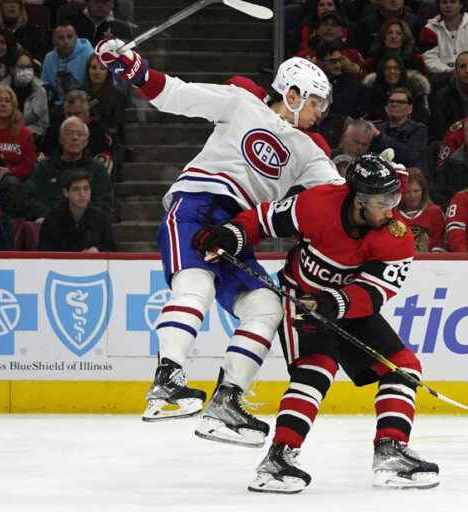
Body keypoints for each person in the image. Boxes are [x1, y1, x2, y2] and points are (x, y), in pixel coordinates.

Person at [94, 40, 343, 444]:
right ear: (292, 94)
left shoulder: (309, 150)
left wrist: (378, 182)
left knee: (266, 306)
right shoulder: (241, 103)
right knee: (197, 284)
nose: (321, 112)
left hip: (235, 232)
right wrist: (134, 68)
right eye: (316, 101)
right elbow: (175, 94)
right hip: (195, 205)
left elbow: (339, 198)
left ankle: (227, 402)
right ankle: (168, 380)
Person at [192, 154, 439, 493]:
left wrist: (329, 302)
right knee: (316, 370)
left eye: (393, 198)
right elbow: (265, 220)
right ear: (360, 200)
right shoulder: (318, 203)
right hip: (300, 300)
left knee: (403, 366)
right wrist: (231, 234)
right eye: (384, 201)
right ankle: (278, 458)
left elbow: (374, 292)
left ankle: (391, 450)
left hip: (344, 305)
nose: (391, 209)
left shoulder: (397, 236)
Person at [26, 115, 113, 220]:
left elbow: (105, 203)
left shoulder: (98, 169)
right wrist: (53, 217)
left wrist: (80, 218)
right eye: (69, 133)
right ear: (61, 140)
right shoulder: (44, 167)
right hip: (50, 222)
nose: (74, 138)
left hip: (86, 225)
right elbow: (30, 199)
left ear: (86, 142)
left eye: (80, 134)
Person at [38, 170, 117, 252]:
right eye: (76, 189)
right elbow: (44, 251)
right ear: (66, 193)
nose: (82, 194)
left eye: (86, 189)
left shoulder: (101, 218)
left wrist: (98, 250)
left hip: (91, 264)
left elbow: (112, 249)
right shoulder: (52, 219)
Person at [0, 83, 38, 182]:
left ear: (13, 107)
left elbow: (28, 166)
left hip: (12, 178)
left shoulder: (24, 134)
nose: (3, 104)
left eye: (7, 101)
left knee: (10, 181)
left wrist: (9, 171)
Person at [419, 0, 468, 77]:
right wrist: (450, 72)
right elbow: (429, 59)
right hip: (440, 76)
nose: (448, 6)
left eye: (453, 2)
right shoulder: (429, 29)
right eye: (444, 2)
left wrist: (466, 72)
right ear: (439, 5)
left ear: (461, 5)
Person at [0, 50, 49, 142]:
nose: (26, 71)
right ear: (12, 69)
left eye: (29, 67)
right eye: (21, 67)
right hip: (1, 139)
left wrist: (23, 133)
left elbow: (43, 125)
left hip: (29, 139)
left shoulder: (40, 91)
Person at [363, 55, 431, 125]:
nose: (392, 71)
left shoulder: (414, 91)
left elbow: (422, 117)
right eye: (387, 68)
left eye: (396, 68)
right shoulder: (373, 92)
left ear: (401, 71)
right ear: (381, 72)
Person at [368, 87, 427, 167]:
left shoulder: (418, 129)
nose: (394, 104)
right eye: (391, 101)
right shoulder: (377, 127)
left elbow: (410, 156)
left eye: (400, 102)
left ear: (410, 108)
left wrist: (379, 136)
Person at [41, 21, 94, 108]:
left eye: (70, 37)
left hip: (85, 104)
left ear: (76, 38)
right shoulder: (49, 58)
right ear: (53, 41)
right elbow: (45, 86)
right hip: (58, 104)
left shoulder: (89, 55)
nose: (66, 41)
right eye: (60, 38)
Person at [394, 167, 445, 252]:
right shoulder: (393, 214)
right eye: (407, 192)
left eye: (416, 191)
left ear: (423, 191)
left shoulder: (434, 212)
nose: (412, 196)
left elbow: (439, 242)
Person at [361, 19, 426, 75]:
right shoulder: (372, 62)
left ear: (404, 38)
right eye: (389, 33)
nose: (393, 37)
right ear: (383, 37)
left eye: (398, 33)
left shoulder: (416, 61)